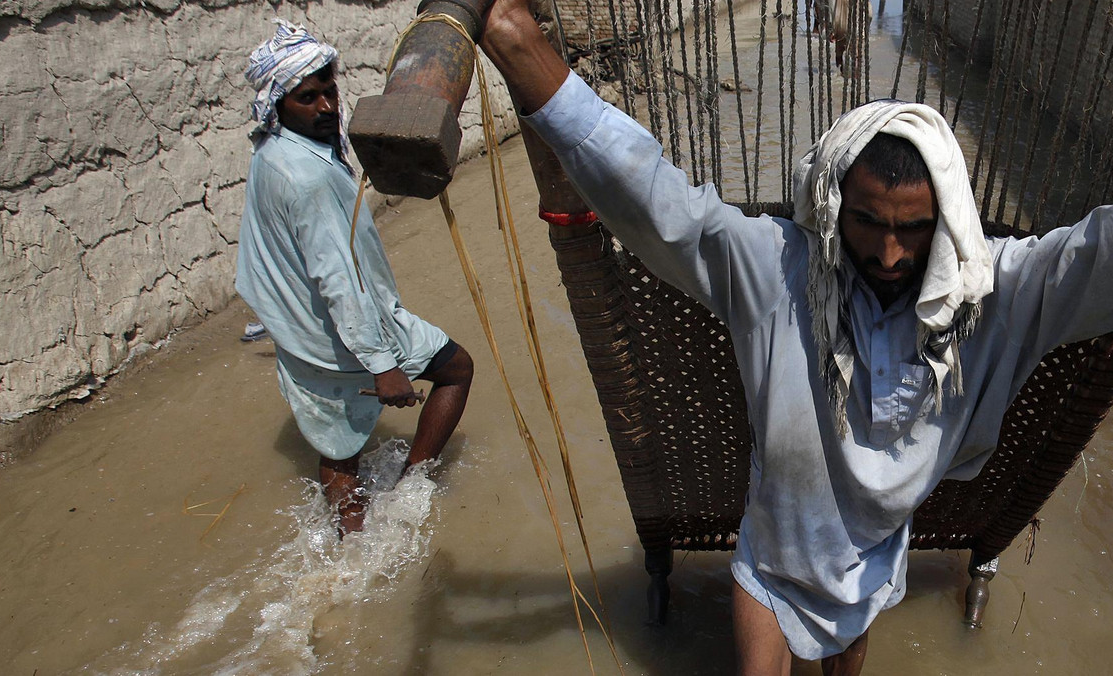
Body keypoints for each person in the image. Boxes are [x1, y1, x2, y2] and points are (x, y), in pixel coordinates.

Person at [478, 1, 1113, 673]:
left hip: (875, 552)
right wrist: (516, 39)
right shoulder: (779, 266)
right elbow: (655, 199)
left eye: (915, 228)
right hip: (775, 556)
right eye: (869, 222)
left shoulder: (992, 292)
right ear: (835, 207)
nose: (892, 255)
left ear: (949, 219)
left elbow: (1095, 258)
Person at [237, 20, 473, 535]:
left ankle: (351, 549)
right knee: (457, 370)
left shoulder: (270, 154)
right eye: (308, 98)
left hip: (300, 333)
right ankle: (413, 489)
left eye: (330, 91)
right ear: (278, 103)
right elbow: (340, 281)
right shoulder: (309, 179)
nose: (326, 108)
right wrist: (383, 366)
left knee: (338, 444)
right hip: (346, 330)